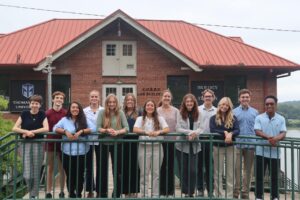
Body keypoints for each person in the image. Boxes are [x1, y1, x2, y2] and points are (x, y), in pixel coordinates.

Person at [54, 101, 95, 198]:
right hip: (66, 152)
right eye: (73, 107)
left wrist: (82, 131)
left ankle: (79, 194)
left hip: (81, 152)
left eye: (77, 107)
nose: (75, 109)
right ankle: (71, 193)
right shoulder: (64, 120)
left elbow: (94, 128)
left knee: (80, 174)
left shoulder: (84, 119)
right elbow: (54, 128)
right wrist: (65, 131)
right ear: (70, 109)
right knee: (70, 174)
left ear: (80, 109)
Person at [12, 95, 49, 199]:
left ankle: (33, 194)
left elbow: (46, 128)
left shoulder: (42, 114)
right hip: (25, 145)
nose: (34, 105)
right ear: (29, 104)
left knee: (36, 169)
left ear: (40, 105)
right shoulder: (24, 113)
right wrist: (26, 132)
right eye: (32, 103)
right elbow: (14, 128)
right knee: (27, 173)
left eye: (36, 103)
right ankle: (31, 190)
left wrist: (32, 132)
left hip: (38, 144)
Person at [133, 100, 169, 198]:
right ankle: (144, 195)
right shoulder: (140, 118)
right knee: (144, 173)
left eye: (152, 105)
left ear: (154, 107)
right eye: (148, 105)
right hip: (143, 147)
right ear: (145, 107)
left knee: (156, 173)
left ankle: (155, 195)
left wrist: (159, 132)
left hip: (157, 147)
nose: (150, 107)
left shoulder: (160, 118)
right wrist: (145, 132)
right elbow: (135, 129)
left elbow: (167, 129)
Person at [96, 94, 129, 198]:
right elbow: (97, 128)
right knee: (102, 168)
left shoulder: (120, 113)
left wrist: (118, 132)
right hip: (103, 144)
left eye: (113, 102)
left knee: (117, 169)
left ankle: (117, 192)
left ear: (116, 103)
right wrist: (106, 130)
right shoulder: (102, 112)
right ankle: (102, 192)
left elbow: (127, 128)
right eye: (109, 102)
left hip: (117, 144)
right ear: (107, 103)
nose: (111, 104)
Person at [254, 95, 286, 200]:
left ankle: (275, 196)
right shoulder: (259, 117)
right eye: (267, 104)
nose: (269, 106)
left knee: (274, 177)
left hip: (275, 153)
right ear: (265, 105)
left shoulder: (281, 118)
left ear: (275, 105)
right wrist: (269, 138)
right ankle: (259, 196)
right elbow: (257, 131)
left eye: (271, 104)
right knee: (259, 176)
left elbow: (283, 133)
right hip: (260, 152)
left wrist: (275, 139)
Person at [209, 97, 239, 198]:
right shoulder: (213, 118)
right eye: (222, 104)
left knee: (231, 172)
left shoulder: (234, 118)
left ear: (229, 107)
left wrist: (231, 134)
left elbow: (237, 130)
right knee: (218, 172)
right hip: (217, 147)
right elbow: (213, 130)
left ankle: (229, 196)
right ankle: (219, 195)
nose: (224, 106)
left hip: (231, 147)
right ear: (219, 105)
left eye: (227, 105)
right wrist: (225, 132)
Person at [175, 93, 202, 197]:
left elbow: (201, 127)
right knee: (183, 170)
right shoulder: (180, 113)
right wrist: (190, 133)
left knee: (193, 170)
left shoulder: (199, 113)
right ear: (184, 103)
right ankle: (186, 192)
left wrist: (195, 134)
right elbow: (178, 128)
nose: (189, 103)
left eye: (191, 101)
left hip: (195, 146)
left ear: (194, 103)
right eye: (187, 102)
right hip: (181, 146)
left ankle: (191, 191)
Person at [233, 89, 258, 199]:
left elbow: (257, 129)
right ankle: (235, 192)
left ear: (250, 98)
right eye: (243, 97)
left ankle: (245, 193)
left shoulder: (255, 112)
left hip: (250, 145)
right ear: (239, 99)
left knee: (248, 171)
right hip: (237, 145)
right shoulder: (233, 112)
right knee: (236, 170)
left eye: (247, 97)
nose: (245, 99)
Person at [157, 89, 179, 197]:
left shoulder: (175, 111)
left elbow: (178, 126)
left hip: (171, 142)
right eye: (165, 96)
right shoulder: (157, 111)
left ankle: (170, 191)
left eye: (168, 97)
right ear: (162, 97)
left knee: (170, 166)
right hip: (160, 142)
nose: (166, 98)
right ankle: (161, 191)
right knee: (161, 166)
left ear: (171, 99)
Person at [45, 91, 67, 199]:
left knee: (62, 169)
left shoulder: (66, 113)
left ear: (63, 101)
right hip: (50, 145)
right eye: (57, 98)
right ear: (53, 99)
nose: (59, 99)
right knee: (50, 169)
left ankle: (62, 191)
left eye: (61, 98)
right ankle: (48, 191)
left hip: (63, 146)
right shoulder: (47, 113)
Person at [83, 90, 103, 198]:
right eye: (92, 96)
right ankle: (90, 189)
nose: (94, 98)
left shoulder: (103, 110)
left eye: (96, 96)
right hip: (88, 141)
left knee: (101, 165)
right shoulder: (84, 111)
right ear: (89, 98)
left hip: (100, 141)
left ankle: (100, 189)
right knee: (88, 166)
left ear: (99, 98)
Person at [197, 89, 217, 197]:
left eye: (210, 96)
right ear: (203, 98)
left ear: (213, 98)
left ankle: (210, 190)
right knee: (199, 166)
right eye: (206, 96)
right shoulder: (198, 109)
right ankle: (200, 189)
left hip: (211, 141)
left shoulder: (217, 110)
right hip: (200, 140)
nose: (208, 98)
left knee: (210, 167)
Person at [122, 93, 140, 197]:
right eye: (128, 100)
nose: (130, 101)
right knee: (125, 167)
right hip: (123, 143)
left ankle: (134, 191)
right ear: (125, 101)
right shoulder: (121, 112)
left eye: (132, 100)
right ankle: (126, 191)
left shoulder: (139, 112)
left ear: (134, 102)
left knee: (135, 167)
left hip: (135, 143)